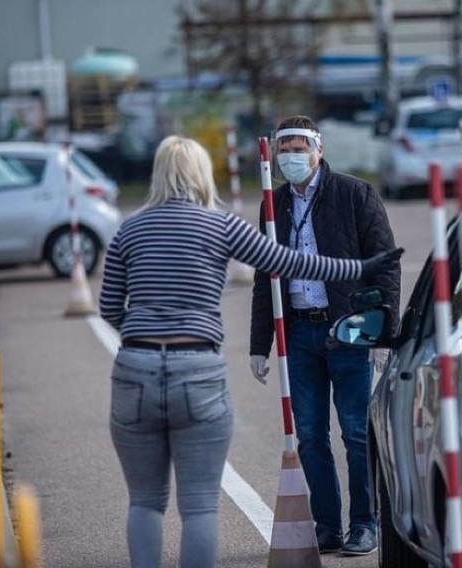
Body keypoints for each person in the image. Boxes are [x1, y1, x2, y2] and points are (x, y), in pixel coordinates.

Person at [99, 135, 402, 568]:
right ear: (202, 174)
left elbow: (110, 305)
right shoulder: (221, 225)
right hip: (198, 365)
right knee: (201, 504)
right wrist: (354, 269)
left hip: (135, 366)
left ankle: (359, 523)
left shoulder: (129, 228)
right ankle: (330, 524)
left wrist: (145, 335)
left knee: (145, 500)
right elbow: (286, 264)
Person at [249, 116, 401, 556]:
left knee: (356, 432)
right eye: (286, 148)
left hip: (349, 330)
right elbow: (265, 276)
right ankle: (328, 526)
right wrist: (260, 345)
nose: (293, 155)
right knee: (311, 435)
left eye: (301, 146)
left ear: (319, 149)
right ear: (276, 156)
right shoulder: (272, 203)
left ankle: (365, 523)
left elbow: (384, 264)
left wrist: (383, 332)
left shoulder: (355, 194)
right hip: (299, 333)